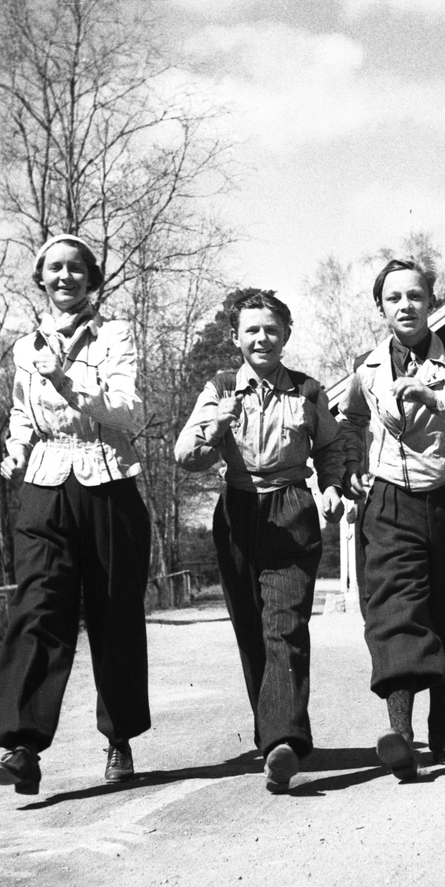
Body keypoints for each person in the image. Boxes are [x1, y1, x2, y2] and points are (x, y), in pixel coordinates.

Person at [0, 234, 151, 796]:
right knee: (37, 606)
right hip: (45, 484)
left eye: (76, 268)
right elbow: (21, 412)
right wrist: (15, 450)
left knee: (115, 612)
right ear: (40, 278)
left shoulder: (115, 335)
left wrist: (70, 384)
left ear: (91, 277)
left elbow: (130, 411)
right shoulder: (24, 346)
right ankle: (22, 746)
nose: (65, 277)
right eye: (54, 268)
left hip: (108, 481)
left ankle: (120, 737)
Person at [175, 290, 344, 793]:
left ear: (286, 335)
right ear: (236, 338)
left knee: (284, 626)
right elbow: (186, 455)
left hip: (291, 509)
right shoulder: (220, 388)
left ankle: (282, 743)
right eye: (252, 330)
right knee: (252, 630)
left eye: (272, 329)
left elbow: (331, 448)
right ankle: (273, 733)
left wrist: (331, 485)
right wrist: (216, 425)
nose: (262, 338)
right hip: (238, 511)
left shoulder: (308, 391)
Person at [338, 259, 445, 780]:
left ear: (431, 302)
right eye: (394, 298)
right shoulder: (366, 370)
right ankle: (401, 737)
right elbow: (347, 422)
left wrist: (436, 398)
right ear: (380, 308)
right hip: (389, 501)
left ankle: (441, 726)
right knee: (395, 609)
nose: (405, 305)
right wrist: (350, 467)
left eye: (414, 296)